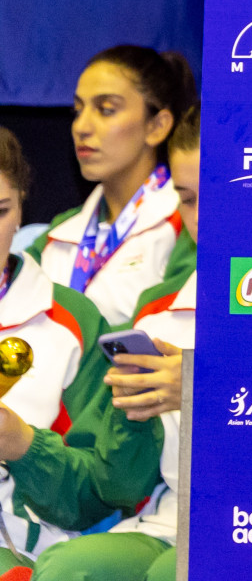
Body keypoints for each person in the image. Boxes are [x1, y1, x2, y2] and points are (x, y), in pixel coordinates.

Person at [31, 105, 200, 581]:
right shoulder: (156, 312)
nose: (201, 218)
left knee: (175, 572)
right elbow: (120, 484)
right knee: (69, 570)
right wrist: (133, 418)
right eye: (186, 199)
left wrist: (198, 386)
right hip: (168, 521)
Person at [0, 129, 163, 571]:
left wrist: (23, 446)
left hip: (22, 548)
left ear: (20, 211)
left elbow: (101, 494)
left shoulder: (71, 322)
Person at [32, 49, 197, 327]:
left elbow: (167, 332)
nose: (81, 127)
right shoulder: (58, 232)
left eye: (106, 110)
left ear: (157, 126)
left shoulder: (189, 223)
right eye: (77, 110)